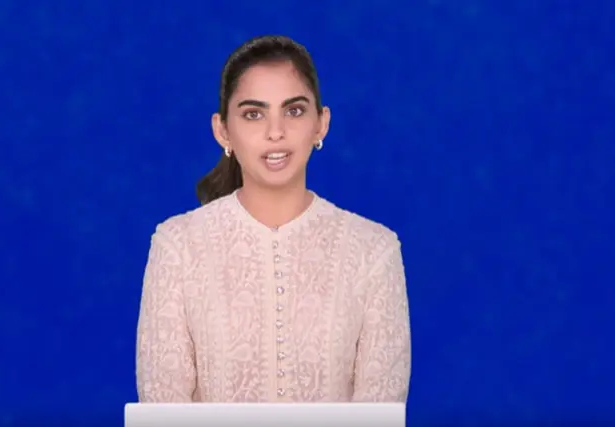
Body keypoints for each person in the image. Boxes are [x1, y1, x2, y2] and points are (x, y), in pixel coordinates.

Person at [136, 35, 411, 403]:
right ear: (222, 130)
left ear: (321, 124)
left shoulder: (373, 252)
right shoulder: (178, 247)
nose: (276, 132)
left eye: (294, 111)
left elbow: (380, 413)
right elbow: (162, 409)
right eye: (254, 114)